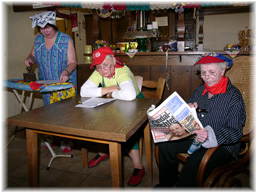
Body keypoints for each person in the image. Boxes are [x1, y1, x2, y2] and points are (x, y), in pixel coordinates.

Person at [155, 52, 246, 187]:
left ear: (222, 71)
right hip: (196, 137)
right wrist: (188, 108)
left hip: (223, 145)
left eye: (211, 72)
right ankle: (168, 184)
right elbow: (185, 112)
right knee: (164, 145)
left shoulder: (233, 96)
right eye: (203, 73)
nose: (206, 77)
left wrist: (210, 135)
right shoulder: (200, 90)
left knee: (194, 163)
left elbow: (235, 132)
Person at [80, 46, 145, 186]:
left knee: (127, 129)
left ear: (114, 61)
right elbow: (83, 91)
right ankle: (103, 152)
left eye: (106, 65)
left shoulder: (122, 70)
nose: (102, 70)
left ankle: (138, 166)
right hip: (115, 105)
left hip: (136, 106)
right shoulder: (100, 72)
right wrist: (108, 89)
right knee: (97, 121)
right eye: (98, 67)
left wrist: (112, 94)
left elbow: (130, 95)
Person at [24, 11, 77, 152]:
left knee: (64, 112)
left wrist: (66, 72)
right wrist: (30, 59)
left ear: (53, 24)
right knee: (50, 112)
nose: (45, 31)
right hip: (46, 82)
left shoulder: (66, 40)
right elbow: (33, 55)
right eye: (41, 28)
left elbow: (72, 62)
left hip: (64, 82)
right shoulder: (38, 40)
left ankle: (67, 140)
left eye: (47, 27)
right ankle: (53, 137)